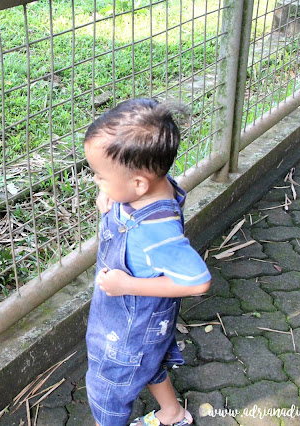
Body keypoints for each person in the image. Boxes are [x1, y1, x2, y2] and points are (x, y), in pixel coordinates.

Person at [83, 98, 211, 426]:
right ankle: (173, 414)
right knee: (151, 362)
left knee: (107, 389)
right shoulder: (153, 188)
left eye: (99, 177)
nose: (96, 181)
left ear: (138, 184)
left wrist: (127, 285)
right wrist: (111, 200)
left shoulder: (157, 231)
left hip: (130, 326)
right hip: (147, 325)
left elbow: (198, 281)